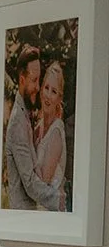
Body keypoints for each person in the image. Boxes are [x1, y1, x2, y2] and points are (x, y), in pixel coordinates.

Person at [4, 44, 51, 209]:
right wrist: (58, 199)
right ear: (22, 80)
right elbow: (30, 184)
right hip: (21, 216)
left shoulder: (25, 114)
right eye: (34, 80)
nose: (37, 88)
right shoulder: (18, 121)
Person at [34, 61, 68, 211]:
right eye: (46, 88)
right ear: (41, 89)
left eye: (54, 91)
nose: (48, 95)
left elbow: (43, 182)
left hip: (52, 214)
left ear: (59, 99)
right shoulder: (38, 127)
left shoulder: (56, 132)